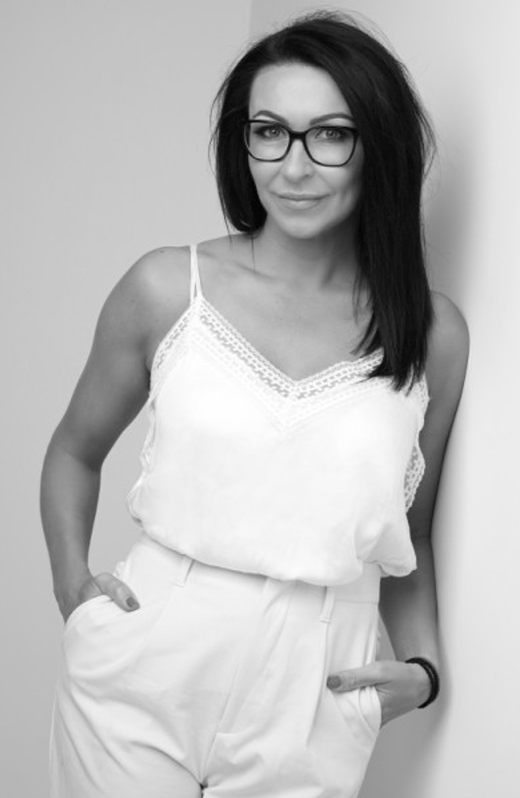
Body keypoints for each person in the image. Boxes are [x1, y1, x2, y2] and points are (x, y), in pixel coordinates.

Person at [41, 10, 469, 798]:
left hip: (319, 684)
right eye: (269, 131)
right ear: (243, 143)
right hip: (148, 656)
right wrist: (75, 590)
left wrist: (425, 671)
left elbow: (408, 530)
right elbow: (73, 450)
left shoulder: (431, 331)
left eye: (330, 135)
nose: (294, 165)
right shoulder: (168, 288)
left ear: (378, 145)